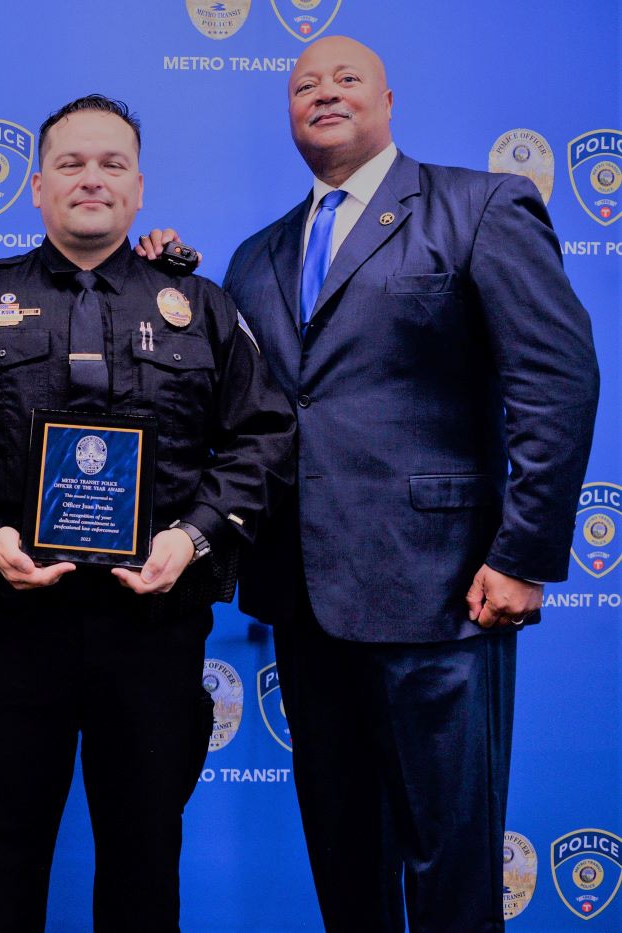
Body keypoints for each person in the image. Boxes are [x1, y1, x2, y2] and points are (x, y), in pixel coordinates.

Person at [220, 36, 600, 932]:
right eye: (303, 85)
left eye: (346, 79)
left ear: (389, 100)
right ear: (288, 116)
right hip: (306, 605)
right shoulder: (254, 256)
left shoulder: (479, 207)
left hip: (444, 594)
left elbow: (558, 379)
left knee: (454, 865)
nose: (324, 93)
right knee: (345, 862)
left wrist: (524, 554)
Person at [0, 95, 296, 931]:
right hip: (11, 627)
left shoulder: (199, 306)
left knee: (143, 863)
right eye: (72, 163)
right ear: (37, 185)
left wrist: (191, 538)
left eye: (111, 164)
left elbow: (263, 436)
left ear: (139, 187)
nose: (92, 178)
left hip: (152, 630)